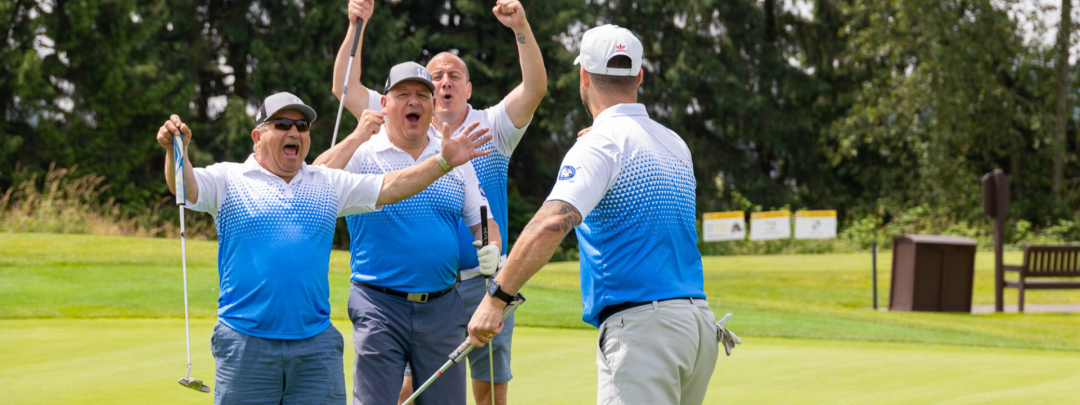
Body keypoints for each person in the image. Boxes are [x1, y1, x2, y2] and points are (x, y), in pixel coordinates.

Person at [156, 91, 492, 405]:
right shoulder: (229, 178)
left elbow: (391, 186)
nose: (294, 132)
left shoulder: (326, 181)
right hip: (245, 342)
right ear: (257, 136)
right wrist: (176, 152)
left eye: (302, 126)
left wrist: (443, 162)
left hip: (315, 347)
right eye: (282, 124)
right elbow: (185, 187)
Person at [466, 25, 739, 405]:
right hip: (697, 325)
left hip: (643, 332)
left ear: (584, 76)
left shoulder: (600, 144)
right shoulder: (673, 142)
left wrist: (496, 299)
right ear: (639, 77)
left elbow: (551, 223)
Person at [318, 1, 545, 404]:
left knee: (482, 390)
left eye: (451, 77)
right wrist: (357, 24)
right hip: (388, 297)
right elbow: (342, 96)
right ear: (386, 103)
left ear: (464, 89)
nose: (437, 86)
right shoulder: (378, 135)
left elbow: (533, 90)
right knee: (394, 393)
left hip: (464, 291)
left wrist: (492, 246)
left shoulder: (484, 130)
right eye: (432, 78)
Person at [314, 60, 501, 405]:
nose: (413, 101)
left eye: (422, 94)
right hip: (378, 304)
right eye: (402, 94)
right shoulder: (364, 154)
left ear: (432, 105)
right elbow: (311, 185)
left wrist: (493, 246)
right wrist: (356, 137)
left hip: (443, 306)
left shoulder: (453, 153)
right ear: (384, 104)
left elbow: (483, 220)